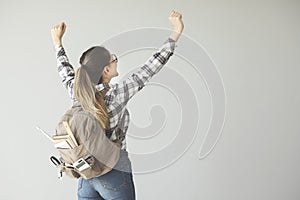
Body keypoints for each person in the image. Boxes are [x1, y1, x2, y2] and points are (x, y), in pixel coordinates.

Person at [51, 10, 184, 200]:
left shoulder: (77, 92)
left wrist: (58, 43)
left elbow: (65, 71)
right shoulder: (117, 94)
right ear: (106, 70)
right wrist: (176, 31)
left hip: (86, 174)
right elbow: (150, 67)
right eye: (113, 59)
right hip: (113, 172)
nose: (116, 61)